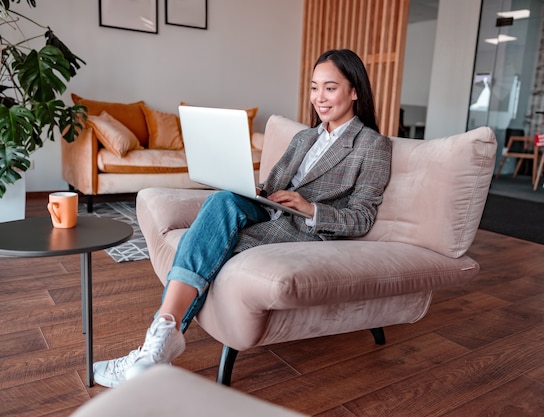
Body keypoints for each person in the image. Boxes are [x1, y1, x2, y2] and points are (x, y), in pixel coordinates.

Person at [93, 49, 393, 387]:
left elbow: (363, 217)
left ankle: (156, 344)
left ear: (354, 91)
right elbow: (274, 184)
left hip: (304, 226)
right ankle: (161, 338)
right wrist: (254, 189)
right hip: (270, 208)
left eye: (329, 88)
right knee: (223, 199)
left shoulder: (372, 145)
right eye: (314, 88)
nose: (319, 98)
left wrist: (309, 208)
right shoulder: (306, 136)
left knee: (209, 243)